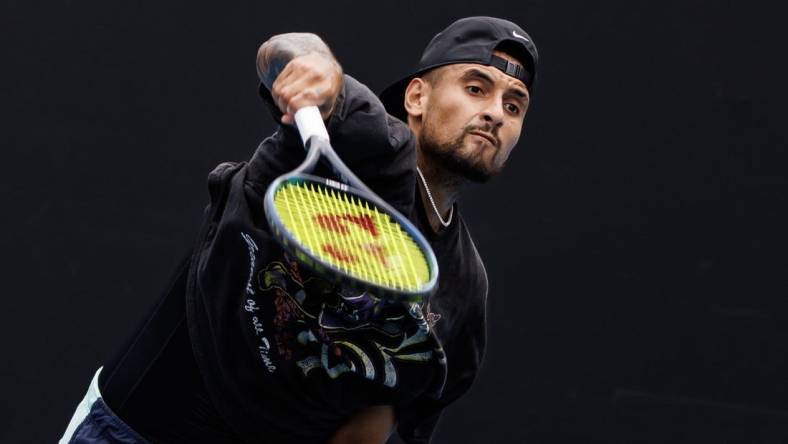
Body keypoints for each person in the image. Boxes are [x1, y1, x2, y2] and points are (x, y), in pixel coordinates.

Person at [60, 16, 537, 444]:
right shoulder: (365, 141)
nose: (496, 112)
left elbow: (371, 421)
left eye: (514, 106)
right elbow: (286, 50)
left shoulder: (464, 290)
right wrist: (315, 67)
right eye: (476, 89)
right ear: (417, 96)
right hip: (135, 426)